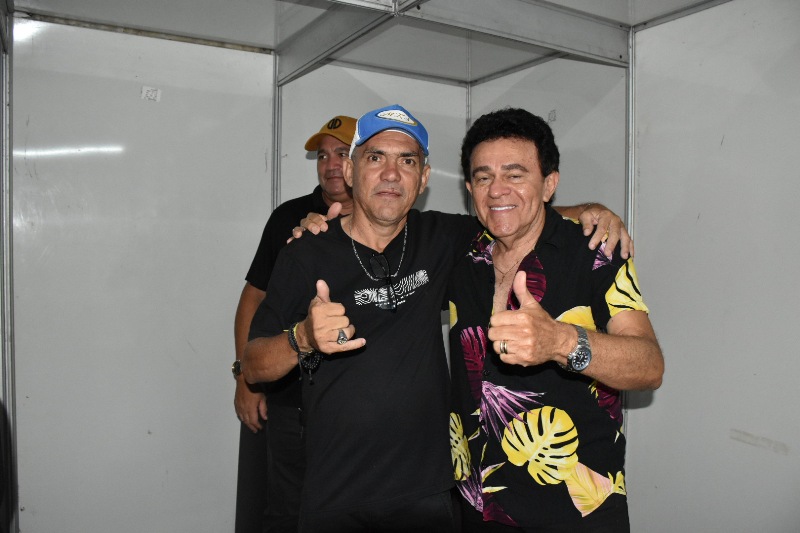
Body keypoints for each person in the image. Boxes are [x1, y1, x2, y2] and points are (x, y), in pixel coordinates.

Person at [244, 104, 633, 533]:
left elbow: (512, 211)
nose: (391, 174)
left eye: (407, 161)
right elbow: (254, 365)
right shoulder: (305, 252)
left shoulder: (446, 238)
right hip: (336, 492)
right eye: (375, 157)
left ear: (424, 178)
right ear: (351, 172)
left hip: (429, 495)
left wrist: (595, 210)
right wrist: (301, 338)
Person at [447, 108, 664, 532]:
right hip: (475, 504)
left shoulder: (596, 253)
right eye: (484, 177)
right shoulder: (459, 255)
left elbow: (650, 365)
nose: (497, 190)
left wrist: (562, 341)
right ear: (469, 188)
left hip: (575, 512)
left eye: (515, 174)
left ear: (549, 183)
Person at [232, 115, 357, 533]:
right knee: (288, 511)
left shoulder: (384, 218)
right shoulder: (291, 217)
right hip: (290, 399)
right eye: (323, 156)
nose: (331, 164)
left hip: (353, 403)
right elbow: (253, 298)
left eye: (342, 153)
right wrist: (245, 379)